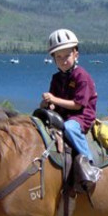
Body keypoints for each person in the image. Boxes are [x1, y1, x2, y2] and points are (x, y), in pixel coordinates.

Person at [40, 28, 102, 188]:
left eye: (67, 55)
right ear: (54, 59)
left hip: (81, 116)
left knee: (69, 128)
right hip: (63, 114)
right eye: (58, 57)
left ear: (76, 54)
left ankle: (88, 163)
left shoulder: (81, 76)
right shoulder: (56, 78)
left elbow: (78, 104)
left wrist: (55, 100)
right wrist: (49, 104)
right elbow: (56, 101)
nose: (63, 60)